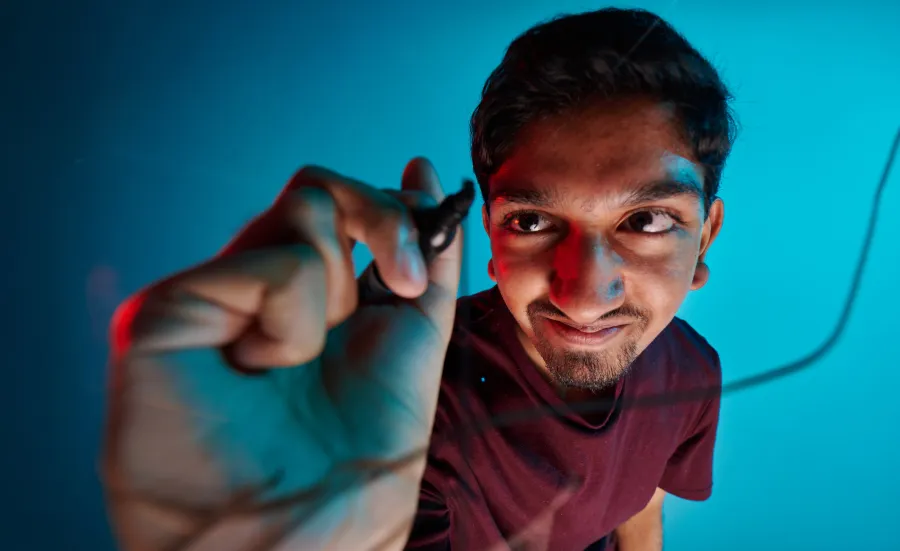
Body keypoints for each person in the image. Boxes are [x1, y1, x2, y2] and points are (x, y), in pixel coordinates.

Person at [101, 7, 735, 551]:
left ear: (704, 237)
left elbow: (641, 509)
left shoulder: (693, 371)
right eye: (534, 220)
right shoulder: (390, 401)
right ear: (490, 234)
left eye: (647, 219)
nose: (583, 294)